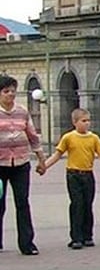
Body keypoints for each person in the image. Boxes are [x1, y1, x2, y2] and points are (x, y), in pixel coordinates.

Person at [39, 107, 100, 249]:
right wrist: (44, 166)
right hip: (73, 175)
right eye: (83, 121)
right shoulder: (68, 137)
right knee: (77, 205)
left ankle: (87, 236)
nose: (87, 123)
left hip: (88, 175)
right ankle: (76, 237)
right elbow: (58, 154)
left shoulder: (94, 138)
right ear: (75, 122)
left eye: (88, 120)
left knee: (88, 205)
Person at [0, 74, 47, 255]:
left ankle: (27, 243)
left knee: (22, 202)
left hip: (20, 163)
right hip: (1, 164)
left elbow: (33, 137)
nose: (10, 94)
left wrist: (41, 159)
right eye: (6, 91)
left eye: (13, 91)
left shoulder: (22, 112)